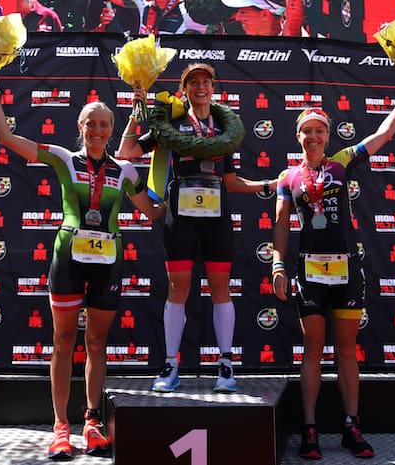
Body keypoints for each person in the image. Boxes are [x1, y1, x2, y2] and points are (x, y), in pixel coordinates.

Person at [0, 63, 165, 460]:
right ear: (80, 126)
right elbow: (6, 137)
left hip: (108, 263)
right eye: (90, 124)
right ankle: (60, 425)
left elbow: (152, 213)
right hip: (67, 258)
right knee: (63, 343)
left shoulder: (126, 170)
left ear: (113, 130)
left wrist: (185, 181)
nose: (97, 130)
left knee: (97, 343)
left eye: (104, 125)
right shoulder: (63, 159)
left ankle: (92, 419)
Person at [271, 74, 395, 460]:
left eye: (319, 130)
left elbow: (384, 135)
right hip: (309, 272)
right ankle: (309, 429)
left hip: (346, 270)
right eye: (307, 131)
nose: (314, 137)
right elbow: (280, 226)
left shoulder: (341, 162)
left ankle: (351, 425)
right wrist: (277, 265)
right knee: (312, 349)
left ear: (328, 135)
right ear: (298, 137)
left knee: (346, 350)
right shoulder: (288, 177)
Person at [118, 62, 276, 393]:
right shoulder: (170, 123)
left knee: (221, 288)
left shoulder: (224, 127)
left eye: (206, 82)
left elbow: (231, 181)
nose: (201, 87)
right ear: (185, 89)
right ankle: (171, 365)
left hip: (217, 213)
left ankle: (226, 367)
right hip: (181, 213)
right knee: (178, 288)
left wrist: (263, 184)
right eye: (194, 83)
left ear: (214, 88)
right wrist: (137, 110)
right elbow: (126, 152)